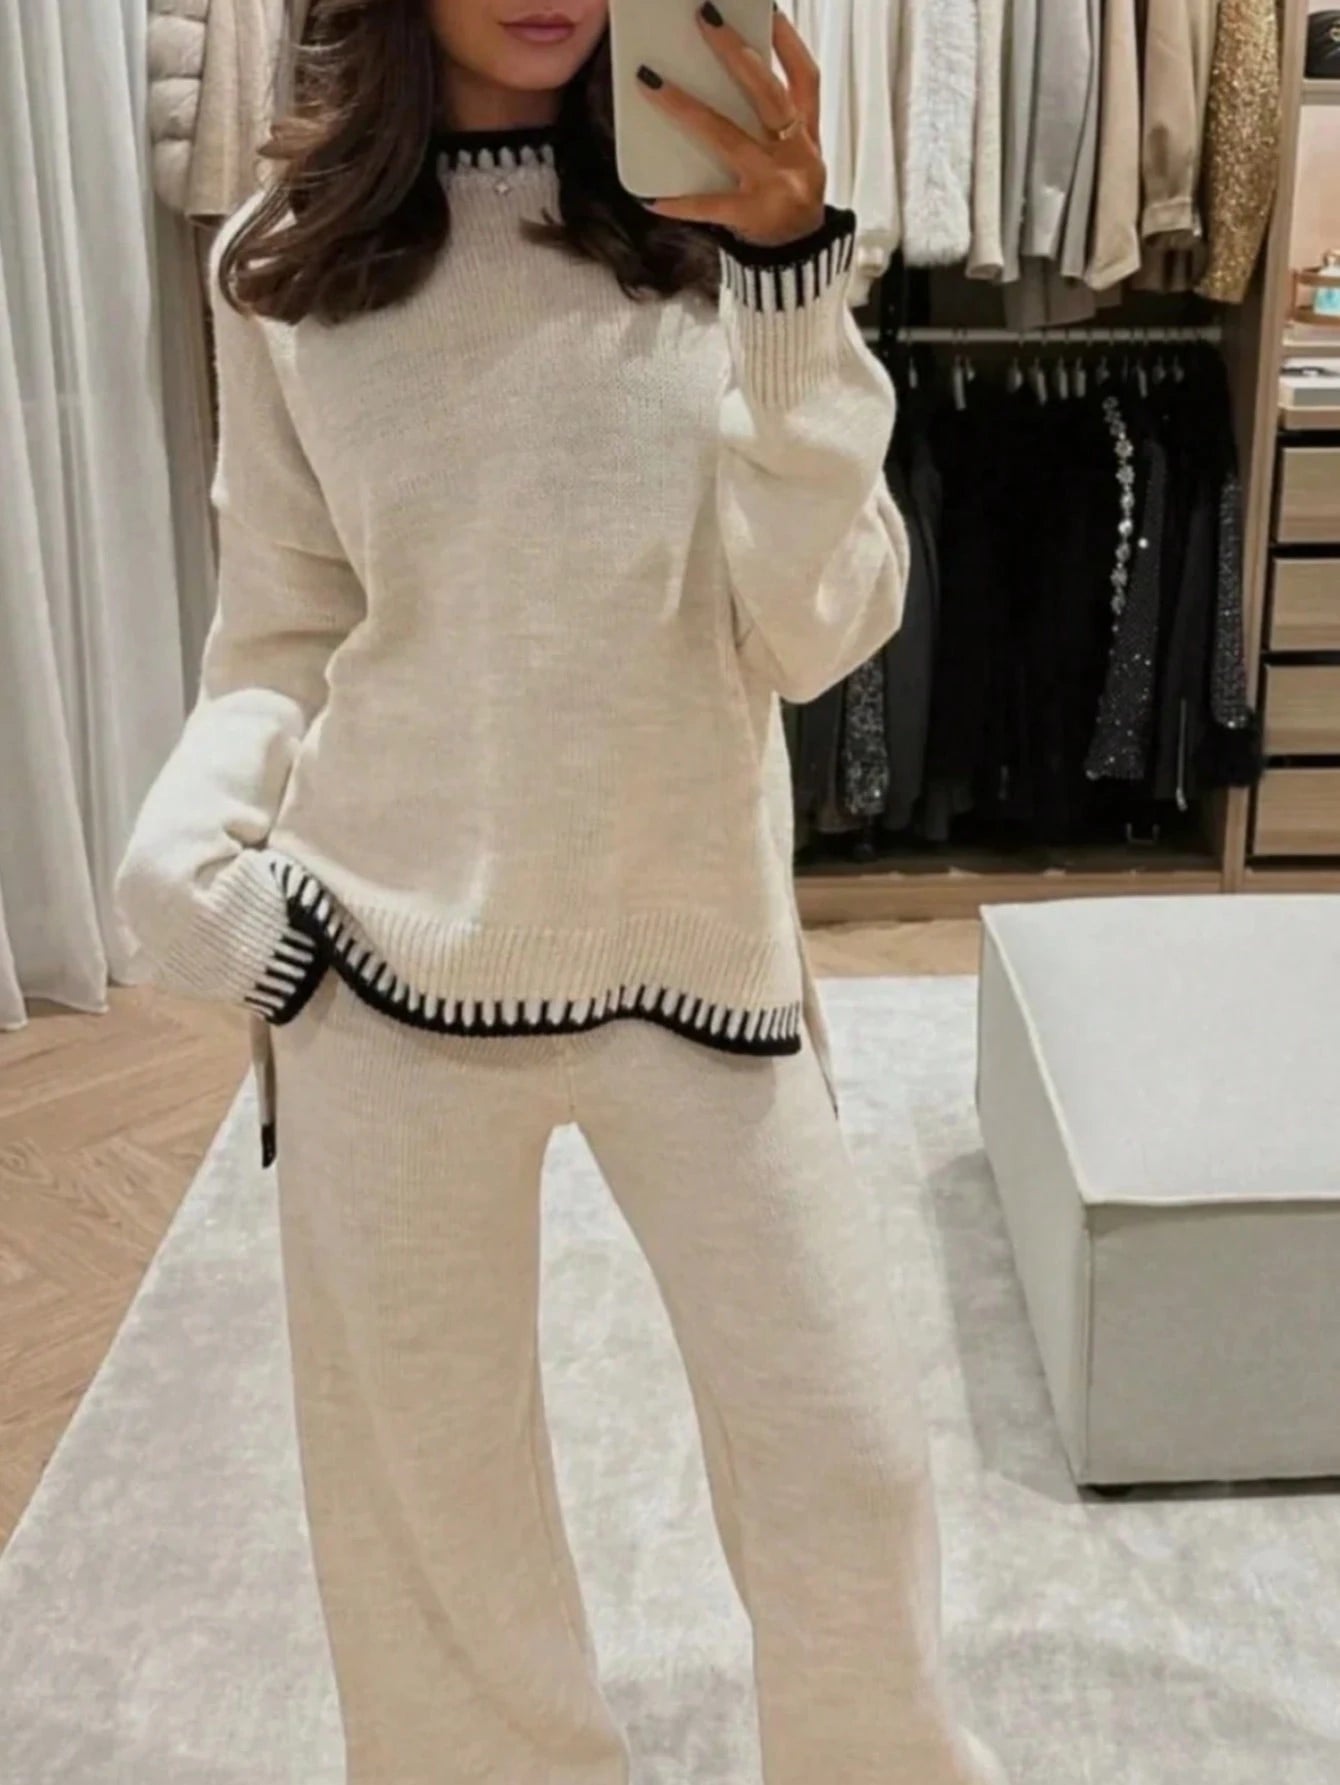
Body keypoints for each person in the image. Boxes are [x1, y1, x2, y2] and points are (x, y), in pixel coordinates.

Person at [117, 3, 1007, 1782]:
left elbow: (824, 630)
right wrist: (189, 848)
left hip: (697, 950)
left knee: (847, 1461)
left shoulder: (724, 225)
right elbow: (285, 625)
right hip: (383, 967)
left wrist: (792, 287)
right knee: (435, 1533)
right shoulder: (283, 262)